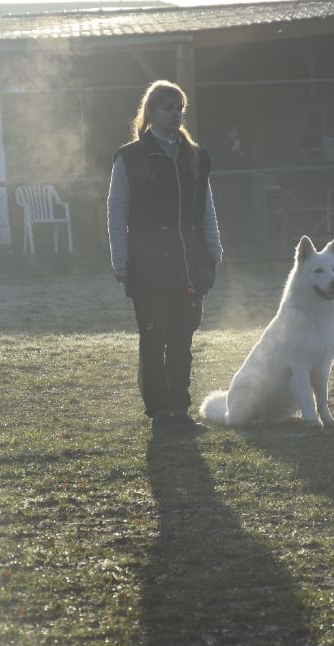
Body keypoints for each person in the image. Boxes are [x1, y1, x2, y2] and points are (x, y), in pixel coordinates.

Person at [107, 80, 223, 432]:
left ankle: (179, 410)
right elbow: (116, 210)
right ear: (151, 112)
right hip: (147, 266)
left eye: (179, 109)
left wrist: (213, 250)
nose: (175, 115)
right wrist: (120, 259)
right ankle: (159, 413)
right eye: (167, 108)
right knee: (153, 339)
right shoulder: (130, 158)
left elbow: (206, 208)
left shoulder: (196, 157)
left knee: (182, 340)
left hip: (188, 266)